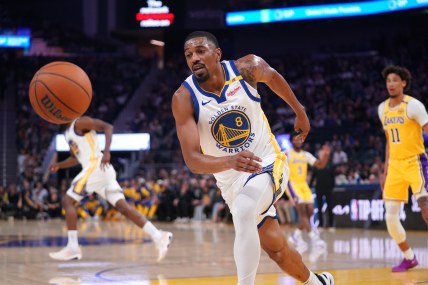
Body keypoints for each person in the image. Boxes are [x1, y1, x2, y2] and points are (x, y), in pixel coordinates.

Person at [172, 31, 333, 285]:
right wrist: (229, 161)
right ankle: (317, 282)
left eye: (200, 51)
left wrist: (299, 111)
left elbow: (273, 77)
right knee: (277, 250)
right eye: (188, 55)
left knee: (245, 210)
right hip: (231, 181)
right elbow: (192, 160)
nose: (194, 58)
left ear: (217, 54)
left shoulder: (247, 68)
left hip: (267, 161)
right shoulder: (184, 98)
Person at [48, 116, 172, 261]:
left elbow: (108, 127)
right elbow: (76, 158)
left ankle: (73, 247)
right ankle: (159, 236)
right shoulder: (67, 133)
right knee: (123, 207)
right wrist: (59, 165)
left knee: (68, 201)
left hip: (95, 166)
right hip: (100, 172)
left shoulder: (81, 122)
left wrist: (107, 152)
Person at [378, 65, 428, 272]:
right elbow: (389, 141)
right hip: (395, 166)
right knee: (390, 215)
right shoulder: (382, 108)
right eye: (388, 80)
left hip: (415, 162)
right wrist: (385, 169)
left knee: (426, 207)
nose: (391, 84)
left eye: (395, 80)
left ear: (404, 83)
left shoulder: (414, 105)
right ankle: (409, 258)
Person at [285, 135, 330, 249]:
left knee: (310, 211)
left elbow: (320, 165)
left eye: (300, 139)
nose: (299, 141)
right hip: (292, 184)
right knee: (302, 212)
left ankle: (296, 235)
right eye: (296, 139)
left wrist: (326, 155)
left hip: (303, 184)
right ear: (291, 141)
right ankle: (314, 238)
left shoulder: (306, 154)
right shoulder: (287, 153)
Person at [310, 154, 335, 231]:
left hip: (328, 189)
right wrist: (309, 186)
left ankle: (331, 225)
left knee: (330, 207)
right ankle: (320, 225)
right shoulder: (316, 165)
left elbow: (333, 177)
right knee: (320, 207)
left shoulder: (331, 165)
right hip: (319, 189)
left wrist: (332, 187)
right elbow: (313, 177)